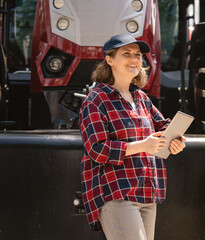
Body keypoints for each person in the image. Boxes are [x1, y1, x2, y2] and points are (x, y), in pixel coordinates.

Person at [79, 33, 186, 240]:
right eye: (126, 53)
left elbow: (164, 126)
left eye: (138, 55)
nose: (135, 59)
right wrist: (144, 145)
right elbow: (96, 149)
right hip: (117, 192)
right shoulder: (96, 100)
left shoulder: (141, 98)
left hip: (146, 192)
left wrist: (176, 140)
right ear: (109, 60)